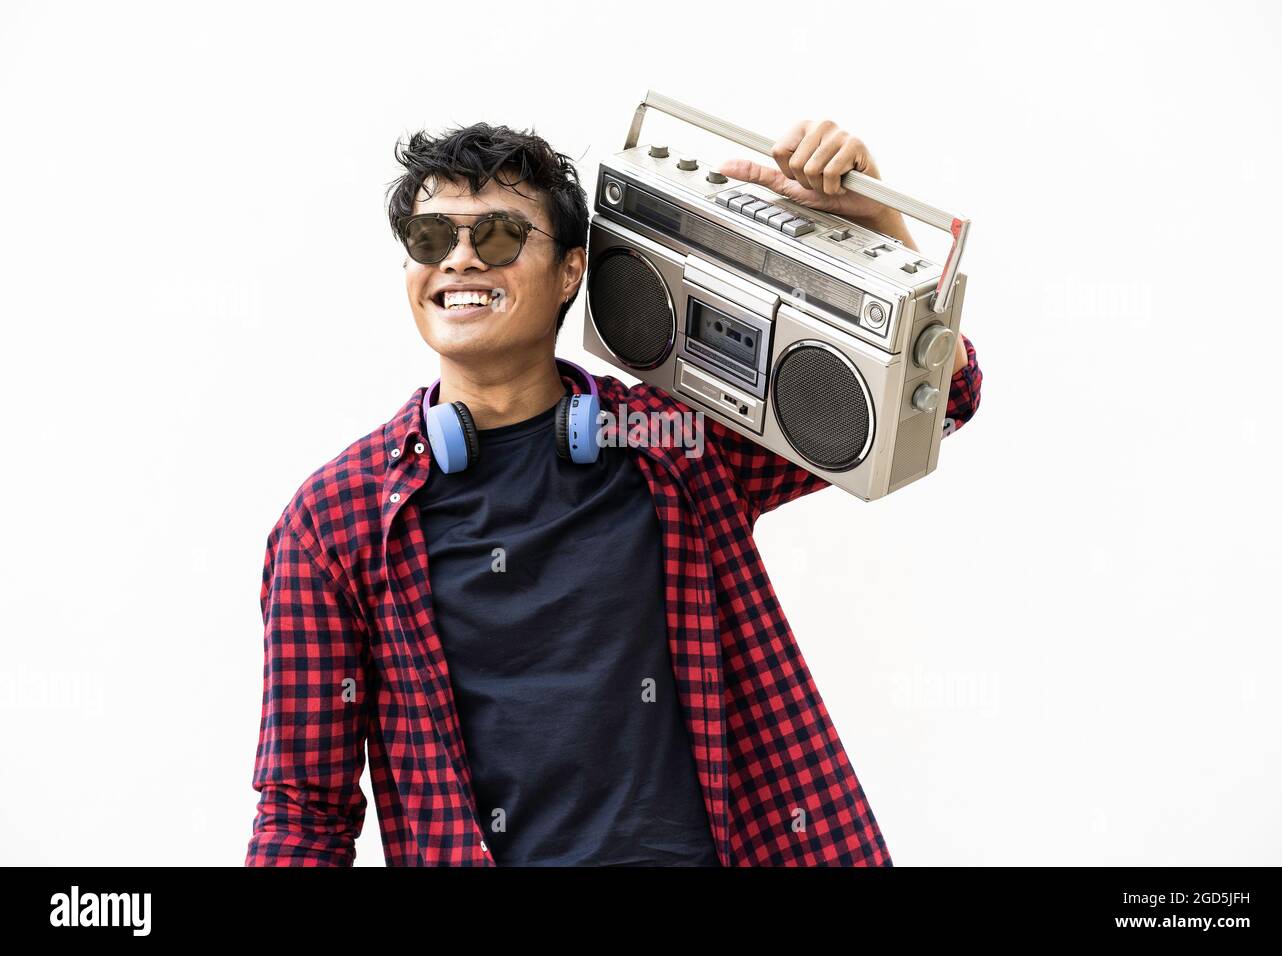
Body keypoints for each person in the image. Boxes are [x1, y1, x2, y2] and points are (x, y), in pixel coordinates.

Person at [245, 115, 983, 866]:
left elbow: (939, 401)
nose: (459, 260)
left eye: (498, 235)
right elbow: (304, 813)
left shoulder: (673, 447)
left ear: (571, 270)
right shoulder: (333, 525)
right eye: (431, 240)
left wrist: (879, 235)